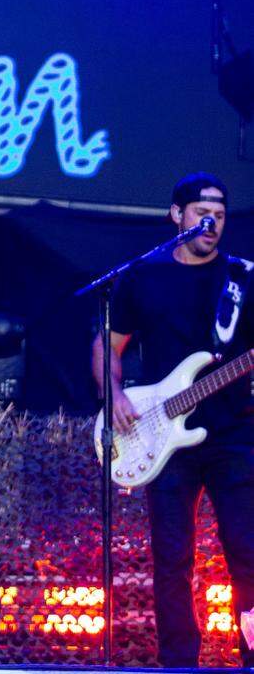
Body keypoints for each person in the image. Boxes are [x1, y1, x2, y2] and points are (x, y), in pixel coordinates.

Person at [92, 174, 254, 667]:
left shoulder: (242, 279)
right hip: (160, 433)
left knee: (247, 552)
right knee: (172, 559)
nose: (213, 223)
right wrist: (113, 393)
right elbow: (108, 345)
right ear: (177, 216)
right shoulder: (142, 275)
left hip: (233, 433)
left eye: (221, 215)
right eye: (203, 213)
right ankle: (179, 664)